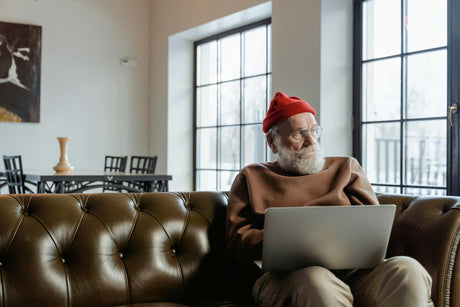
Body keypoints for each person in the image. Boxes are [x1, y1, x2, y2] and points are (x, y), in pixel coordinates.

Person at [226, 92, 432, 307]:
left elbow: (375, 228)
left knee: (407, 270)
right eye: (300, 133)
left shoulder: (346, 167)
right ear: (272, 141)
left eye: (314, 130)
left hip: (355, 274)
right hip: (287, 278)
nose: (311, 141)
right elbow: (237, 242)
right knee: (315, 281)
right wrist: (289, 238)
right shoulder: (251, 176)